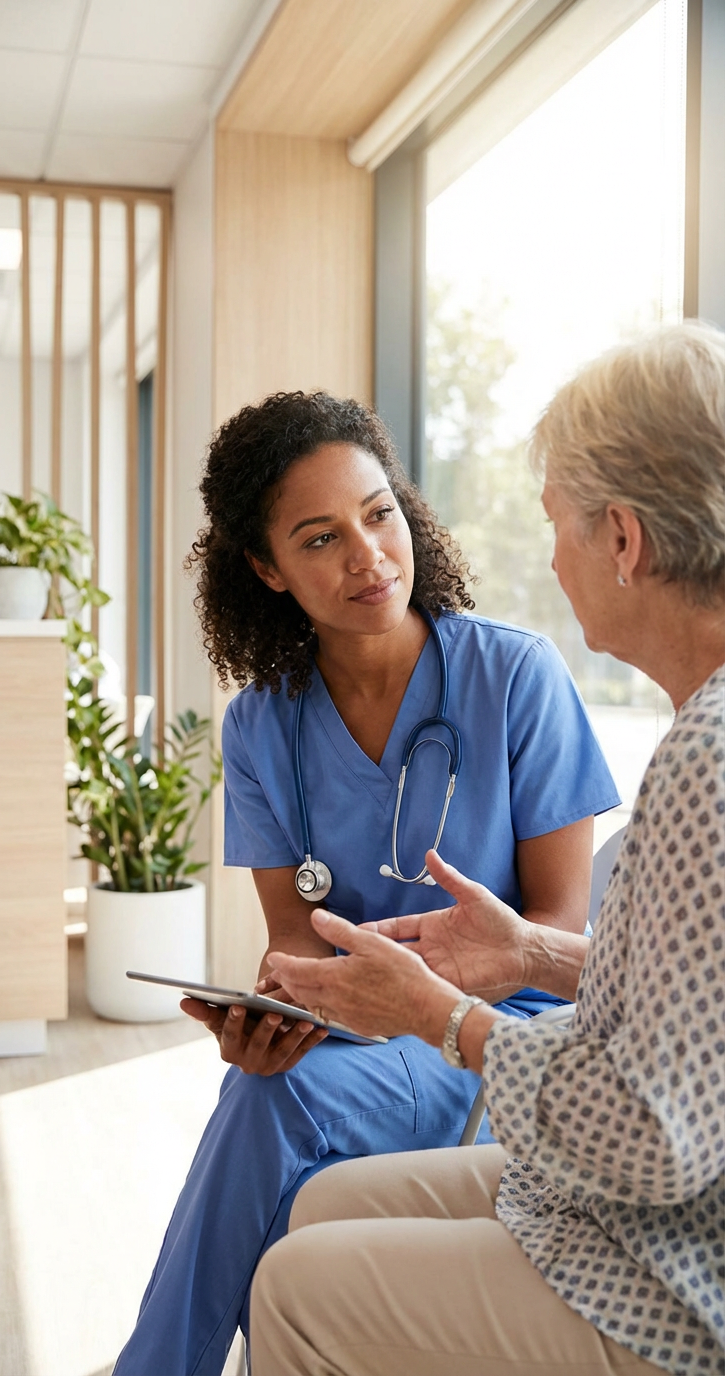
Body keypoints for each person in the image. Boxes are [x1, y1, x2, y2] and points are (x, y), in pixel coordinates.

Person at [112, 391, 619, 1376]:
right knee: (277, 1114)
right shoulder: (261, 728)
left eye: (379, 514)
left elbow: (561, 926)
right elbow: (301, 942)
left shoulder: (516, 678)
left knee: (277, 1112)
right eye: (320, 537)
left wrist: (427, 998)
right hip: (350, 1037)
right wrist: (272, 1012)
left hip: (487, 1027)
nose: (368, 557)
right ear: (266, 568)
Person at [255, 322, 725, 1376]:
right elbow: (698, 1011)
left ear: (625, 541)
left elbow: (656, 1139)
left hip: (676, 1273)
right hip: (653, 1204)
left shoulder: (705, 763)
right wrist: (532, 955)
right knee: (320, 1200)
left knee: (294, 1283)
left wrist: (445, 1016)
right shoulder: (702, 735)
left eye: (557, 522)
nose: (549, 555)